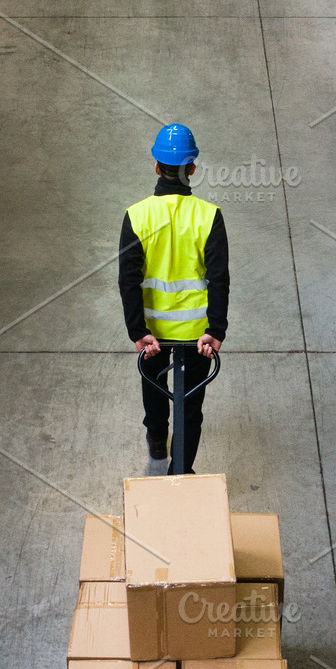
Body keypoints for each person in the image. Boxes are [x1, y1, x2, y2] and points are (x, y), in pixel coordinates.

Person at [118, 123, 228, 471]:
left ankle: (155, 441)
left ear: (156, 166)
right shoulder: (209, 216)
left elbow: (128, 280)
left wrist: (138, 331)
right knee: (190, 407)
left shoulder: (136, 216)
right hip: (197, 336)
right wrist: (216, 330)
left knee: (154, 389)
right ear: (192, 168)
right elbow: (219, 278)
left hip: (153, 333)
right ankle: (180, 469)